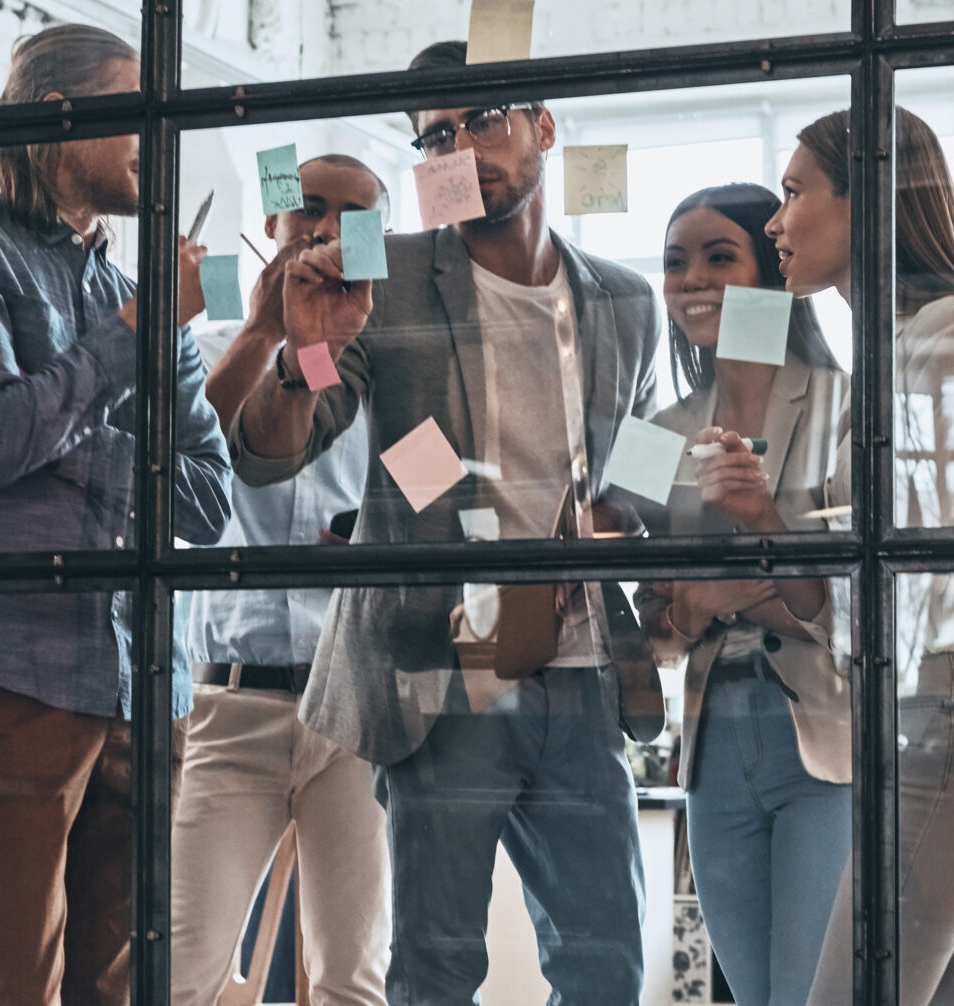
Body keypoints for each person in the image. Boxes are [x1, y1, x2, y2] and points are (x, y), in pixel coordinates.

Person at [228, 40, 666, 1006]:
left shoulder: (629, 303)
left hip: (582, 674)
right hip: (441, 674)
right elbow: (272, 452)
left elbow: (637, 472)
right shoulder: (387, 284)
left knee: (607, 970)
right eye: (435, 135)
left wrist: (629, 516)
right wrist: (307, 348)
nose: (462, 147)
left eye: (484, 118)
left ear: (545, 128)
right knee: (434, 970)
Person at [0, 23, 233, 1006]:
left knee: (112, 993)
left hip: (143, 688)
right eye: (134, 112)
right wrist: (131, 340)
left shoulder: (146, 294)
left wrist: (57, 435)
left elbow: (207, 498)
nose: (156, 145)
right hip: (5, 670)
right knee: (6, 986)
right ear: (56, 114)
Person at [699, 107, 954, 1006]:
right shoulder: (904, 349)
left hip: (953, 714)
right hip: (930, 720)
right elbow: (870, 581)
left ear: (868, 199)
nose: (776, 223)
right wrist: (771, 526)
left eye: (792, 194)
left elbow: (922, 560)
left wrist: (778, 529)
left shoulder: (950, 337)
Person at [169, 153, 393, 1006]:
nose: (326, 225)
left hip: (352, 711)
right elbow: (188, 461)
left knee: (353, 979)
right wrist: (275, 336)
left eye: (352, 214)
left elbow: (434, 500)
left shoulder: (376, 376)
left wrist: (375, 550)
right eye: (307, 207)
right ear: (271, 222)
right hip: (235, 706)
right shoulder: (209, 350)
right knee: (182, 969)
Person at [633, 183, 850, 1006]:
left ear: (774, 275)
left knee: (812, 992)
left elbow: (860, 602)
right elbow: (640, 612)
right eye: (676, 263)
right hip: (714, 740)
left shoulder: (848, 404)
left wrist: (723, 586)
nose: (694, 280)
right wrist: (710, 598)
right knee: (755, 996)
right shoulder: (653, 433)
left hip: (829, 738)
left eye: (721, 258)